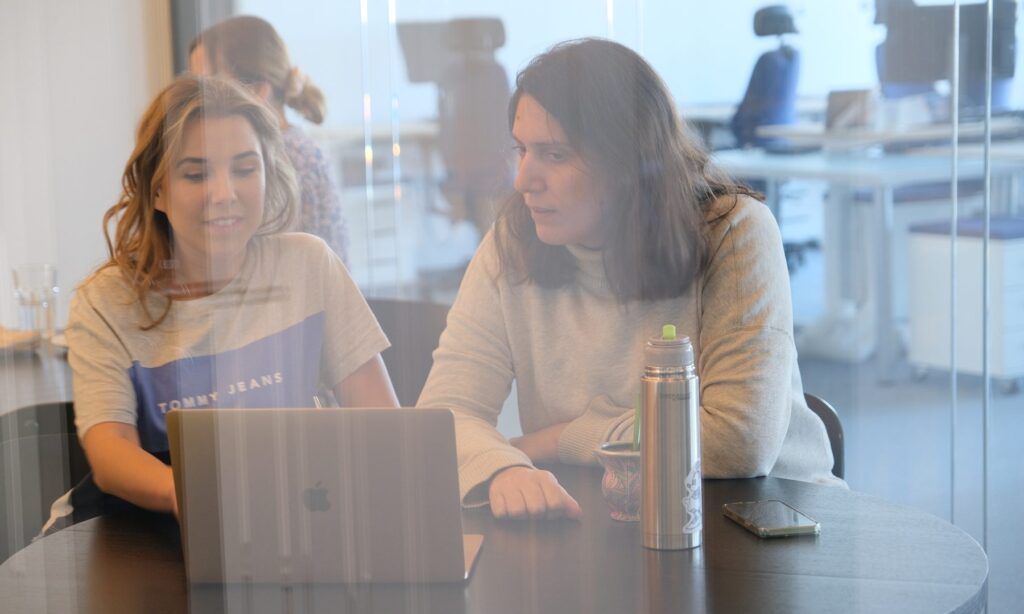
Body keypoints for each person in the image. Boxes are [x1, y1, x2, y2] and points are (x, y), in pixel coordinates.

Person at [417, 39, 842, 520]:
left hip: (772, 520)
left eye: (554, 154)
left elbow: (737, 441)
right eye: (522, 150)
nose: (524, 180)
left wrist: (564, 438)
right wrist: (502, 470)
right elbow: (444, 415)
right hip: (613, 518)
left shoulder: (734, 231)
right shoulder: (511, 243)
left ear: (628, 162)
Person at [43, 75, 397, 532]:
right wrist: (194, 496)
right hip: (135, 531)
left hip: (278, 523)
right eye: (196, 174)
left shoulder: (308, 265)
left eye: (245, 169)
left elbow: (384, 426)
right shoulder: (105, 301)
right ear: (157, 191)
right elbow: (112, 453)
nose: (225, 193)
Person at [190, 15, 350, 265]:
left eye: (208, 87)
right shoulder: (286, 149)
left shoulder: (287, 158)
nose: (194, 102)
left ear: (258, 91)